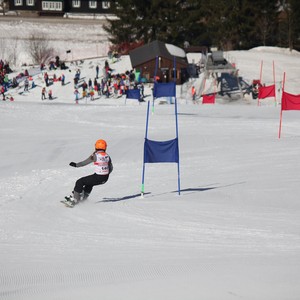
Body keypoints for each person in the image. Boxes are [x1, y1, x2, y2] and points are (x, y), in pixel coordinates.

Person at [65, 139, 113, 206]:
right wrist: (105, 175)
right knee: (89, 184)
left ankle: (75, 200)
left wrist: (76, 165)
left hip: (98, 177)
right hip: (105, 178)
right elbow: (111, 168)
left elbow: (84, 163)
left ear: (96, 146)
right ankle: (84, 199)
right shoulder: (107, 156)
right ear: (105, 147)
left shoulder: (95, 155)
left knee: (80, 182)